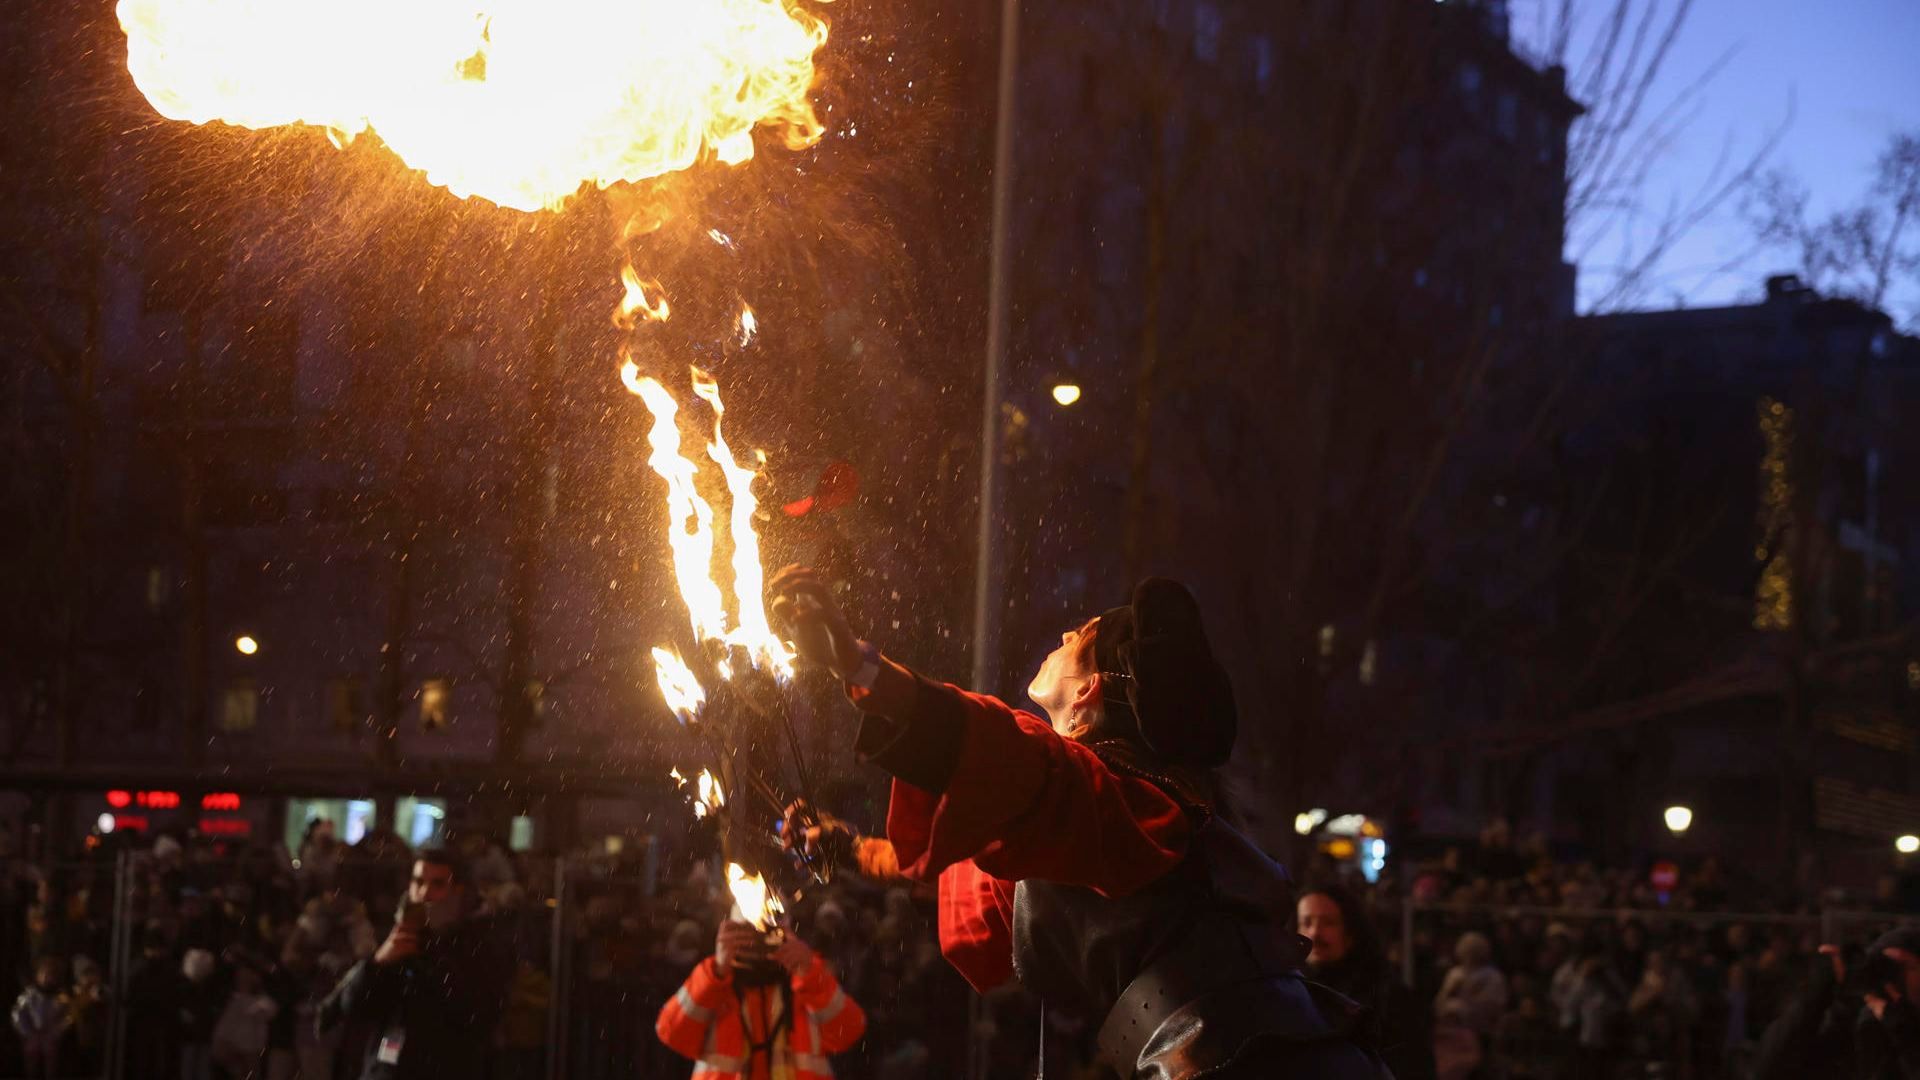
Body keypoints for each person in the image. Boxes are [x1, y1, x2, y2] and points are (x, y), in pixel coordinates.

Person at [770, 567, 1386, 1078]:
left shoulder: (1114, 799)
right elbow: (968, 875)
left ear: (1090, 690)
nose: (1066, 629)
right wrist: (851, 850)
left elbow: (1003, 749)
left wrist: (860, 668)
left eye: (1082, 633)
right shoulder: (1092, 816)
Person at [317, 849, 513, 1080]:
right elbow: (355, 1009)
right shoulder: (396, 934)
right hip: (388, 1068)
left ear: (458, 891)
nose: (424, 893)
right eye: (418, 882)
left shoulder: (482, 942)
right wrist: (379, 963)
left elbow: (478, 1014)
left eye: (437, 884)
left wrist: (433, 949)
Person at [655, 918, 867, 1079]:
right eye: (746, 934)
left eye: (766, 933)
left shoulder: (804, 983)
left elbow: (850, 1031)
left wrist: (810, 972)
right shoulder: (716, 984)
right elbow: (671, 1033)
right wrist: (717, 971)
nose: (757, 943)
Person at [1297, 885, 1436, 1080]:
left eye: (1328, 922)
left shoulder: (1388, 996)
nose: (1315, 933)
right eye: (1306, 922)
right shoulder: (1291, 991)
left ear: (1350, 932)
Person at [10, 955, 70, 1080]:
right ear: (37, 975)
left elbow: (67, 1017)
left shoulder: (61, 997)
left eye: (50, 974)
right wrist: (27, 1031)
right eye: (44, 974)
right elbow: (18, 1013)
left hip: (51, 1038)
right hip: (32, 1036)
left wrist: (55, 1033)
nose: (46, 978)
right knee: (31, 1064)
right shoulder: (30, 994)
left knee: (51, 1065)